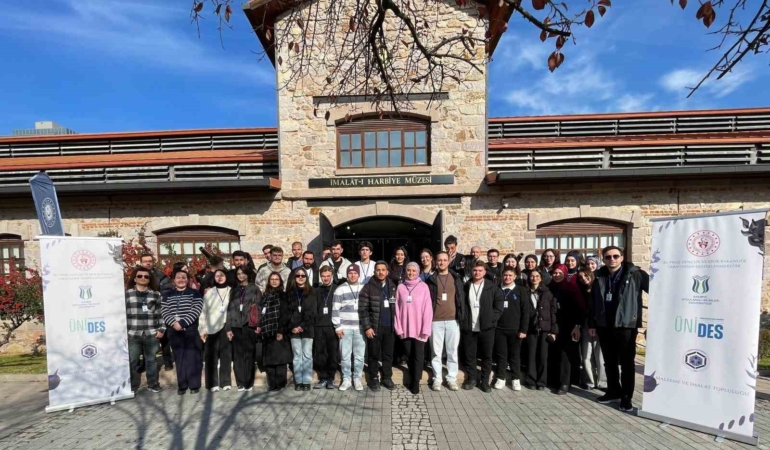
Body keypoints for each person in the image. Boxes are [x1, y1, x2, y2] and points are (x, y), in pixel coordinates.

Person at [588, 246, 648, 412]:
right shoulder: (599, 275)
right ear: (604, 259)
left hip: (626, 325)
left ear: (622, 258)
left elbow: (657, 291)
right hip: (604, 325)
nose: (612, 259)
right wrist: (592, 324)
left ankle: (626, 397)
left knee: (627, 363)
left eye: (615, 256)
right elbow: (592, 302)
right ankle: (613, 391)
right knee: (609, 361)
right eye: (608, 257)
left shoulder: (636, 274)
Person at [461, 261, 504, 393]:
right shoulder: (466, 286)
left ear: (484, 272)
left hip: (487, 327)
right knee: (470, 355)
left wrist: (492, 319)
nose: (477, 273)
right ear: (471, 271)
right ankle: (472, 379)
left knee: (487, 356)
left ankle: (485, 382)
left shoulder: (492, 287)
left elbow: (499, 305)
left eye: (480, 270)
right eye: (475, 270)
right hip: (470, 327)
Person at [426, 251, 465, 391]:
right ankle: (437, 378)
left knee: (452, 351)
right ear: (435, 262)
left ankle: (451, 378)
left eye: (444, 260)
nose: (442, 262)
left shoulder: (456, 278)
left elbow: (461, 299)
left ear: (449, 261)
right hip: (435, 321)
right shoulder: (431, 280)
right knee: (436, 352)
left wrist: (462, 316)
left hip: (453, 320)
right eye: (439, 260)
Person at [161, 269, 203, 395]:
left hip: (190, 330)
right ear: (174, 280)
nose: (181, 280)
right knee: (179, 358)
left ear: (188, 280)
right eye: (178, 277)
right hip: (174, 331)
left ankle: (194, 385)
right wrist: (174, 323)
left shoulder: (194, 293)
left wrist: (183, 323)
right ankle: (182, 385)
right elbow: (164, 311)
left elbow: (196, 309)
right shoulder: (167, 294)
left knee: (192, 358)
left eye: (184, 277)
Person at [394, 262, 433, 395]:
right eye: (408, 270)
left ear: (418, 272)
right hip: (405, 328)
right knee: (409, 355)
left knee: (418, 356)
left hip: (420, 329)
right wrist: (398, 327)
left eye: (413, 271)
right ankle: (414, 376)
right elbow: (397, 310)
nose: (411, 273)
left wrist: (426, 329)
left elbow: (428, 310)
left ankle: (415, 382)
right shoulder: (400, 287)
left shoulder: (424, 287)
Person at [359, 261, 397, 391]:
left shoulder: (392, 287)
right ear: (374, 272)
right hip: (374, 328)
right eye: (378, 270)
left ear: (387, 272)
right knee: (373, 354)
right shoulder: (368, 287)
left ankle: (387, 377)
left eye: (383, 270)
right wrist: (367, 327)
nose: (381, 272)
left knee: (388, 355)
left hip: (389, 327)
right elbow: (362, 310)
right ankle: (373, 378)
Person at [125, 266, 164, 393]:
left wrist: (162, 329)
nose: (143, 278)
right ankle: (131, 386)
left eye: (146, 276)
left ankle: (152, 384)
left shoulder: (156, 294)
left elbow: (161, 313)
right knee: (133, 360)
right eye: (140, 276)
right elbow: (122, 314)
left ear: (149, 279)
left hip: (151, 333)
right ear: (135, 278)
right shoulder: (126, 294)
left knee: (151, 360)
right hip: (132, 333)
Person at [549, 264, 584, 395]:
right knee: (554, 352)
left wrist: (577, 325)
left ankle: (565, 382)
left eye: (560, 273)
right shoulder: (550, 287)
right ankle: (553, 380)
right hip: (552, 325)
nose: (557, 275)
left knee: (565, 354)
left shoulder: (571, 288)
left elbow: (579, 308)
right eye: (555, 273)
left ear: (565, 274)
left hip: (568, 325)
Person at [493, 267, 530, 391]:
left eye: (510, 275)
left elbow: (525, 311)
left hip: (515, 330)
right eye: (505, 275)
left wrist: (523, 330)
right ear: (501, 276)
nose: (507, 277)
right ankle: (501, 378)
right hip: (499, 329)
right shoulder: (497, 289)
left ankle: (515, 379)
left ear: (514, 277)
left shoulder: (520, 290)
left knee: (514, 355)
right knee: (501, 355)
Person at [332, 265, 366, 391]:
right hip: (345, 328)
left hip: (360, 328)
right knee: (345, 356)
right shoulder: (340, 289)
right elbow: (335, 309)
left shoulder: (364, 288)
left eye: (355, 273)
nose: (352, 275)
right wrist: (337, 327)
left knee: (359, 356)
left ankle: (357, 378)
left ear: (358, 274)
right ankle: (346, 379)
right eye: (350, 273)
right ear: (347, 275)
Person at [199, 269, 233, 392]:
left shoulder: (231, 291)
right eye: (217, 275)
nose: (219, 277)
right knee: (211, 356)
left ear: (226, 276)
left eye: (222, 275)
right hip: (211, 326)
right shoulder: (209, 292)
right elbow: (203, 312)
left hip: (226, 326)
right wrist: (202, 329)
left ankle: (225, 382)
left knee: (226, 356)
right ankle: (212, 383)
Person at [258, 272, 292, 391]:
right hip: (267, 332)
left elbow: (285, 314)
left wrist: (281, 331)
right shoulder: (265, 296)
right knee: (269, 360)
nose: (274, 281)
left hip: (278, 331)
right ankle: (272, 384)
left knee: (279, 360)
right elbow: (261, 313)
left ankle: (280, 383)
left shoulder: (283, 295)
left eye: (276, 279)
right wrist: (260, 326)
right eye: (272, 279)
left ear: (280, 281)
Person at [228, 266, 260, 392]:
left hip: (249, 325)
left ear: (247, 274)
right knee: (238, 355)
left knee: (249, 354)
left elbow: (258, 308)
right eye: (238, 273)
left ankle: (248, 381)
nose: (240, 275)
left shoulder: (254, 289)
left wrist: (258, 325)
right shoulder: (234, 290)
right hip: (236, 325)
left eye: (243, 273)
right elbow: (229, 309)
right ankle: (240, 382)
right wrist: (228, 328)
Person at [524, 270, 556, 391]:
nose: (534, 278)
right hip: (530, 328)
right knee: (531, 355)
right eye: (532, 276)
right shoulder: (525, 292)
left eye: (537, 276)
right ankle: (530, 380)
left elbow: (552, 311)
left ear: (541, 278)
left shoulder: (547, 293)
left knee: (543, 356)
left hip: (544, 328)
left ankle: (542, 381)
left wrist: (553, 330)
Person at [141, 253, 174, 370]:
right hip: (142, 312)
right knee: (145, 337)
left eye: (150, 261)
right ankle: (145, 362)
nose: (148, 263)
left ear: (153, 262)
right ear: (141, 263)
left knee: (164, 337)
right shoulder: (137, 275)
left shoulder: (160, 275)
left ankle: (168, 362)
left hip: (159, 309)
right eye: (145, 261)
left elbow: (168, 290)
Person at [287, 267, 316, 391]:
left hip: (307, 328)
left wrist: (301, 326)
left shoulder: (312, 292)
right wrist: (293, 327)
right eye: (298, 275)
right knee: (297, 355)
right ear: (294, 277)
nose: (300, 277)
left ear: (306, 277)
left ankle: (307, 381)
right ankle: (298, 381)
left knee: (307, 355)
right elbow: (287, 312)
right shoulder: (289, 293)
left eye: (303, 276)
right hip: (293, 329)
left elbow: (313, 312)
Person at [577, 268, 606, 391]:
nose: (583, 279)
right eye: (581, 277)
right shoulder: (581, 291)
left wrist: (593, 326)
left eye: (585, 276)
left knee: (600, 356)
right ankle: (590, 381)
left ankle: (603, 383)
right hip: (585, 326)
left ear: (591, 275)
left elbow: (597, 310)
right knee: (586, 355)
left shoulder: (598, 288)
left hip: (597, 326)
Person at [313, 266, 339, 389]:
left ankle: (331, 377)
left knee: (332, 353)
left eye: (328, 276)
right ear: (320, 276)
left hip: (332, 326)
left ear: (332, 275)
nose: (326, 278)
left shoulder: (337, 289)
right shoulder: (316, 290)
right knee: (320, 353)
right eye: (323, 276)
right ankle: (322, 377)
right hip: (319, 326)